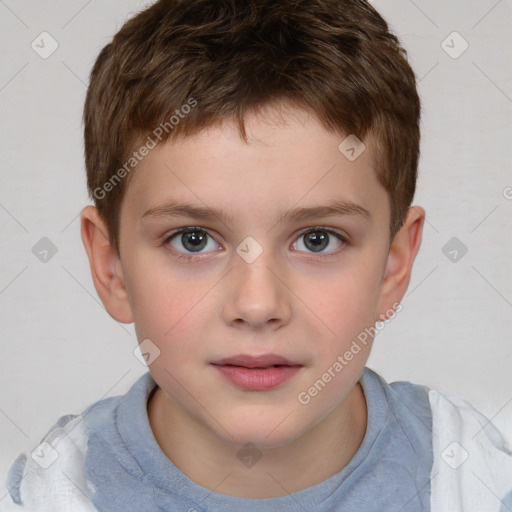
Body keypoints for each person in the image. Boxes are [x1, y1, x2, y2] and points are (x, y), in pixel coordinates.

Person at [2, 0, 511, 510]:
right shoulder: (49, 496)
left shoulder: (480, 480)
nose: (257, 303)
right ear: (111, 268)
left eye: (317, 239)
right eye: (193, 240)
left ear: (393, 265)